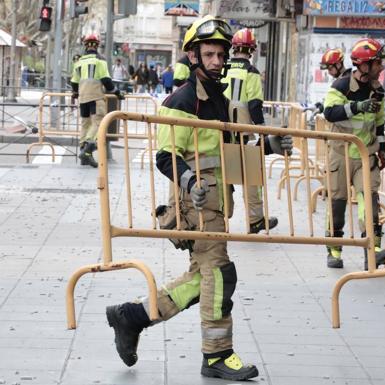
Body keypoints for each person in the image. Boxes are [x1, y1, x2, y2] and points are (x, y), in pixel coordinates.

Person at [104, 15, 292, 381]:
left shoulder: (221, 99)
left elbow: (234, 147)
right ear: (193, 56)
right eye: (209, 54)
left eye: (221, 55)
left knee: (202, 277)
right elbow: (164, 156)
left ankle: (131, 317)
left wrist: (269, 145)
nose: (217, 62)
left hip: (217, 204)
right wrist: (189, 181)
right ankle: (217, 354)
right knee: (220, 274)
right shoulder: (183, 99)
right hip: (196, 206)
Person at [322, 38, 385, 269]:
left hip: (365, 155)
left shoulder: (378, 90)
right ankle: (334, 250)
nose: (381, 68)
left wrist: (382, 148)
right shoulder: (341, 86)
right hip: (340, 154)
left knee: (369, 199)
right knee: (338, 202)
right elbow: (330, 113)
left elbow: (379, 123)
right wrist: (358, 106)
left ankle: (373, 250)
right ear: (364, 66)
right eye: (377, 63)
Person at [222, 28, 279, 234]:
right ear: (252, 50)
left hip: (220, 128)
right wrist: (262, 129)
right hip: (242, 130)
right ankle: (255, 218)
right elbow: (254, 104)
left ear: (233, 48)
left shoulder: (223, 67)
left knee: (222, 171)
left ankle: (221, 215)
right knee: (251, 173)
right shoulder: (251, 72)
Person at [70, 34, 122, 168]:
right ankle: (87, 150)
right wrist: (117, 92)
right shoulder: (100, 60)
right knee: (98, 123)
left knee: (85, 124)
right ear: (97, 45)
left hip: (82, 97)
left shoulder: (79, 62)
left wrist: (75, 93)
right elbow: (106, 79)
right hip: (95, 96)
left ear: (85, 46)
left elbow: (74, 82)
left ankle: (84, 154)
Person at [315, 48, 351, 113]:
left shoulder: (345, 81)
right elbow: (335, 101)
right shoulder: (343, 79)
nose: (329, 73)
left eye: (330, 69)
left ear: (338, 65)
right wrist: (321, 106)